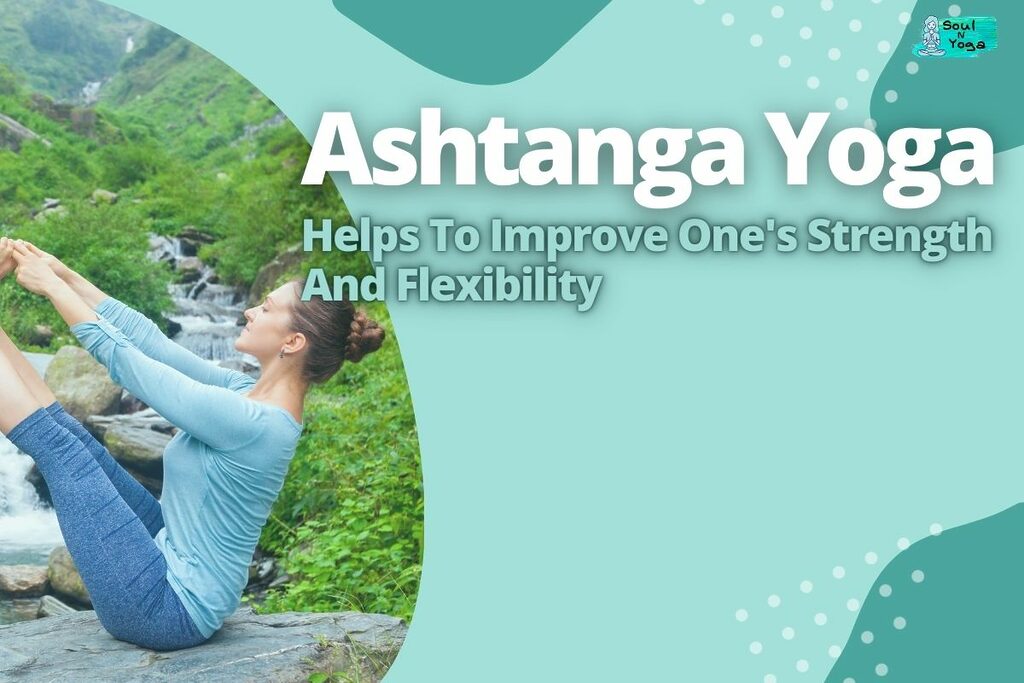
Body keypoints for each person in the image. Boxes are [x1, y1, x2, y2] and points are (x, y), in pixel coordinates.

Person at [0, 236, 385, 650]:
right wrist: (63, 274)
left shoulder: (254, 422)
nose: (250, 311)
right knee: (80, 441)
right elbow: (154, 345)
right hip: (171, 552)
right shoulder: (245, 391)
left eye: (267, 307)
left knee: (65, 453)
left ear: (293, 343)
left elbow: (131, 366)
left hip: (165, 610)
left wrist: (53, 289)